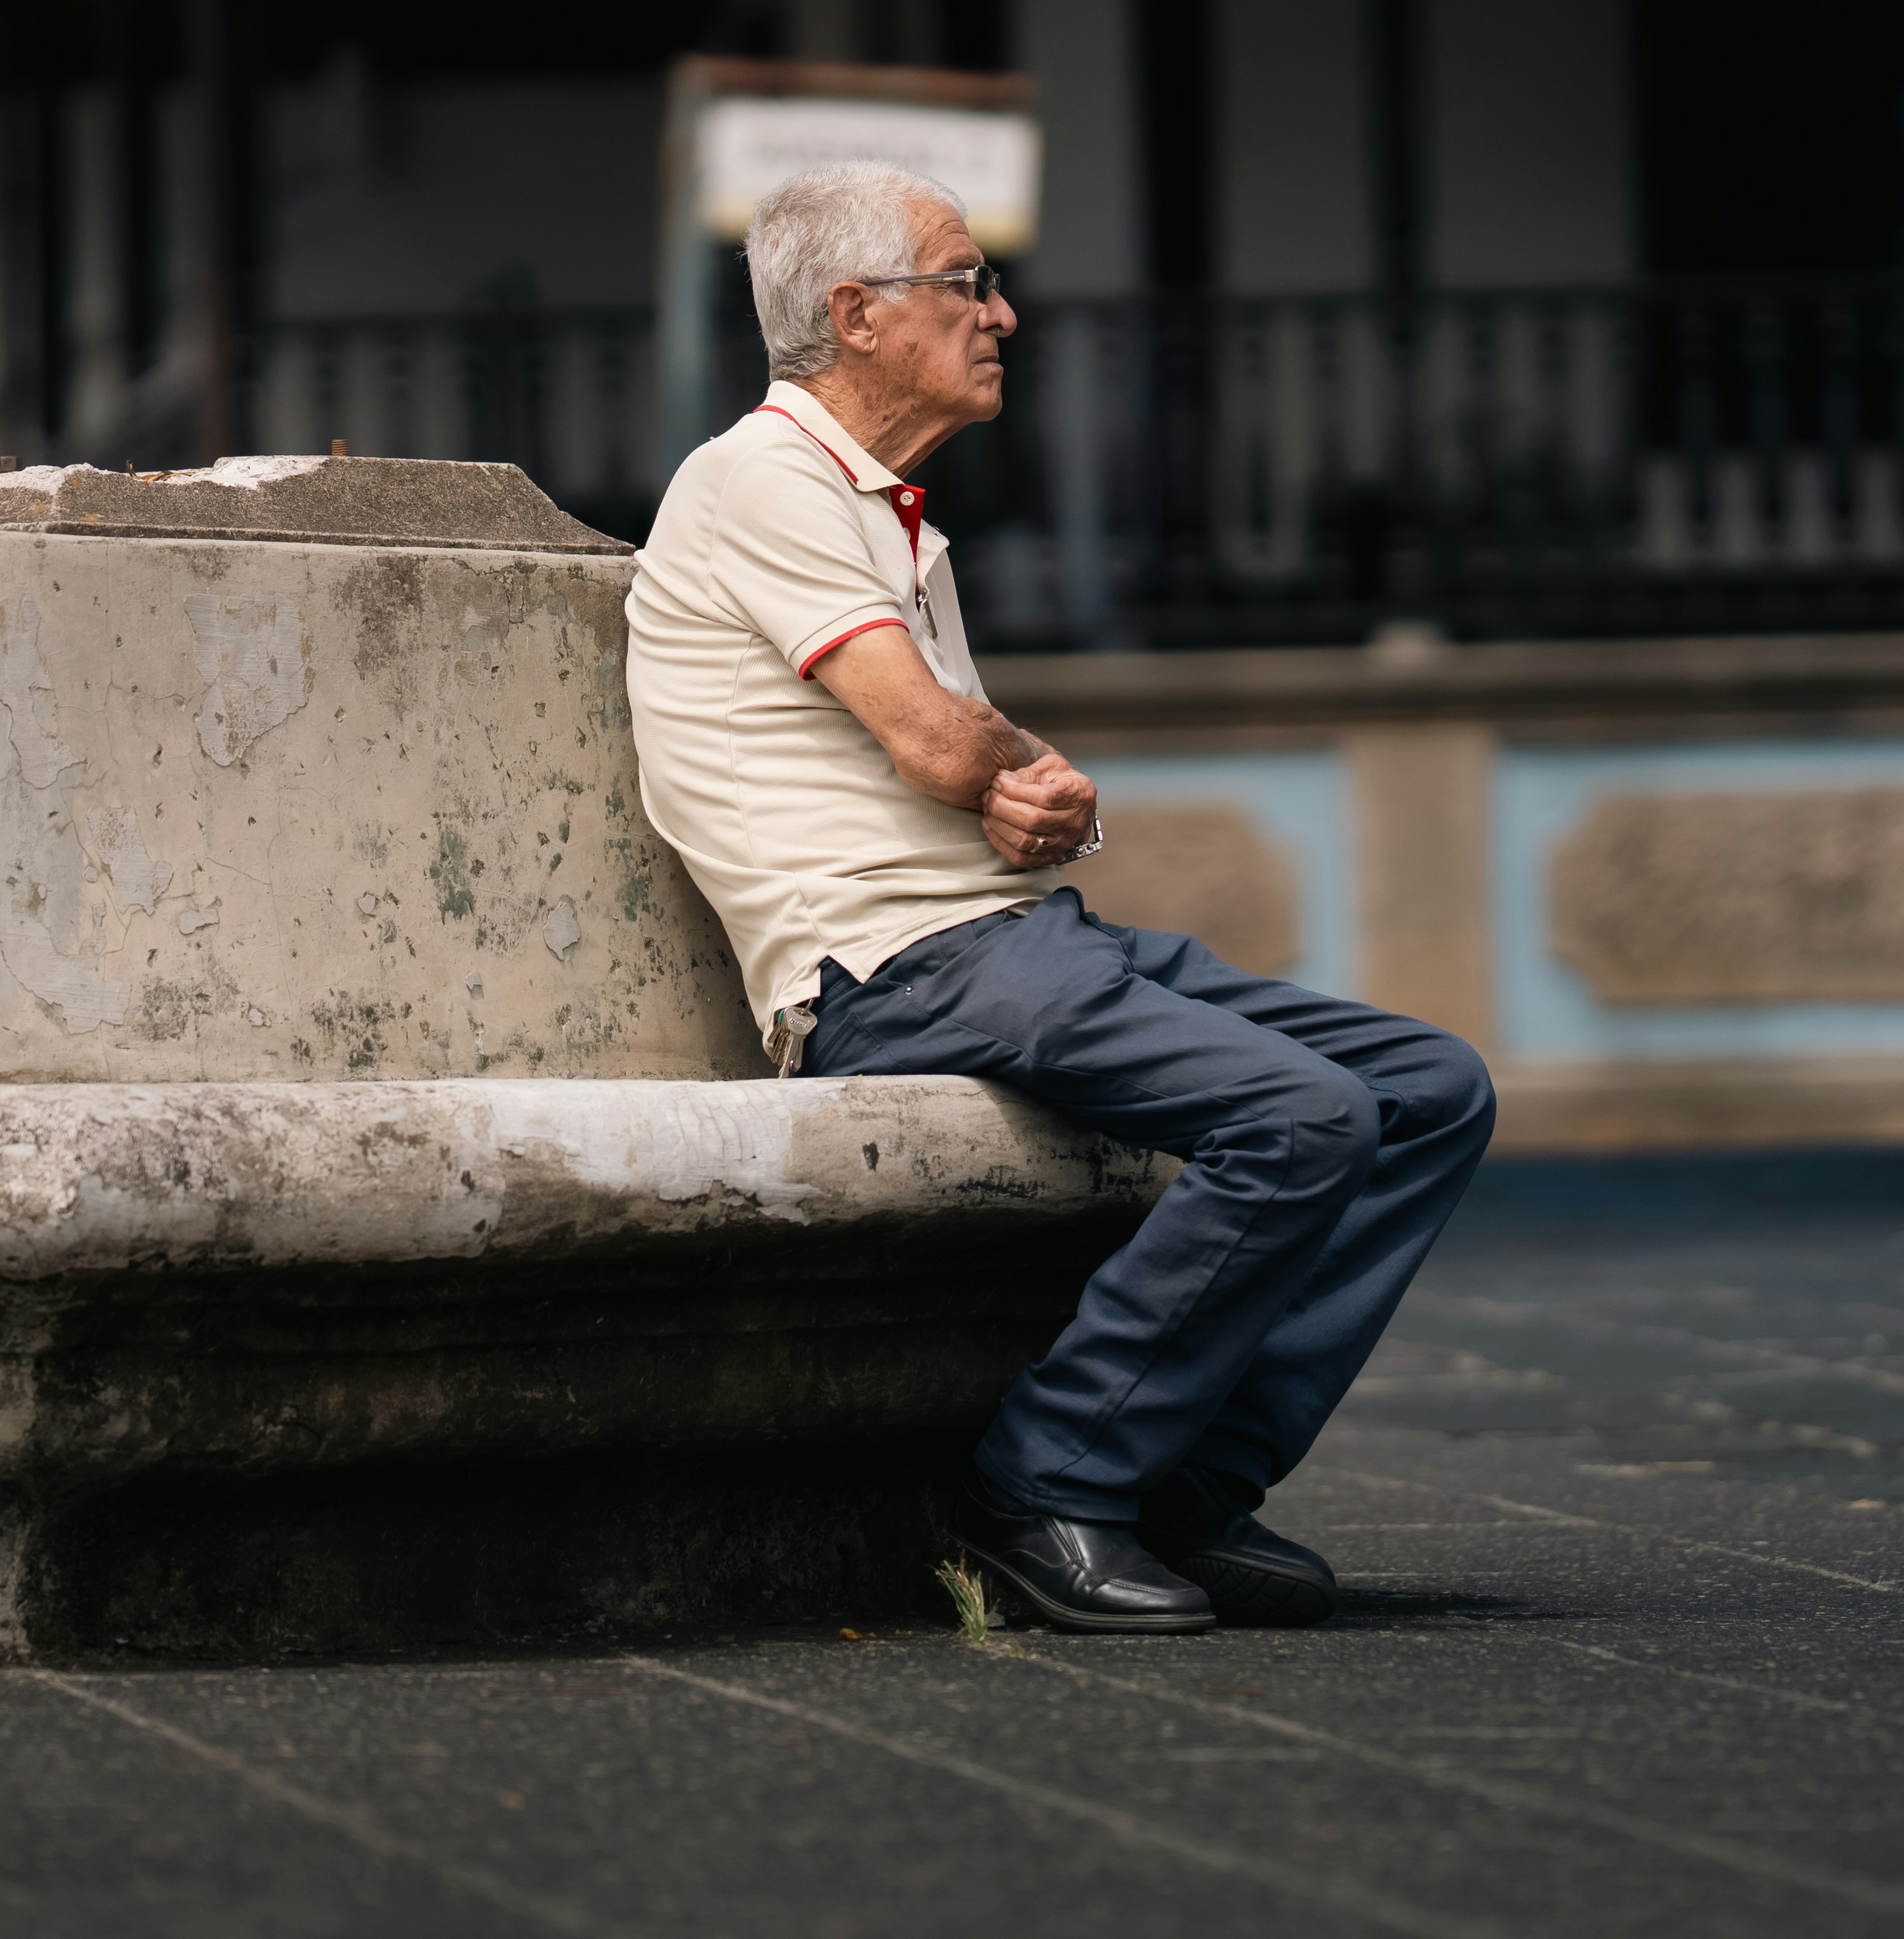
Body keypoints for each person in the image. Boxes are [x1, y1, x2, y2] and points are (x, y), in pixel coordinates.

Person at [623, 160, 1495, 1633]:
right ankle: (1051, 1486)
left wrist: (1019, 795)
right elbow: (935, 742)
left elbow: (977, 783)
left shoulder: (879, 510)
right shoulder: (757, 478)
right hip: (894, 966)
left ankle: (1182, 1492)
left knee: (1428, 1084)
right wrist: (1017, 770)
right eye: (968, 285)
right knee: (1301, 1115)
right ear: (858, 314)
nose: (1003, 314)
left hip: (1008, 942)